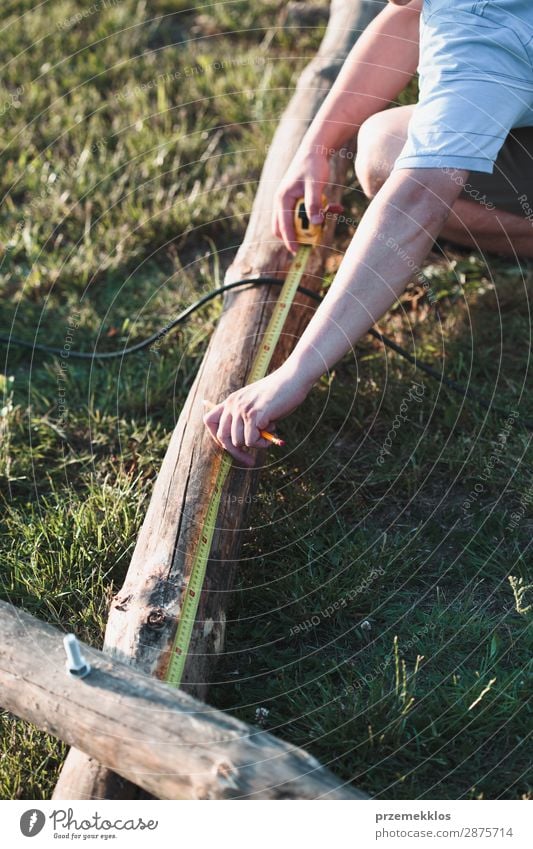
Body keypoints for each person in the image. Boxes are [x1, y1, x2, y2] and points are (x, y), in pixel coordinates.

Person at [204, 0, 533, 466]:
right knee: (383, 147)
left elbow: (418, 200)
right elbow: (406, 14)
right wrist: (317, 145)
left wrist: (292, 375)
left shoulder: (479, 30)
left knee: (403, 169)